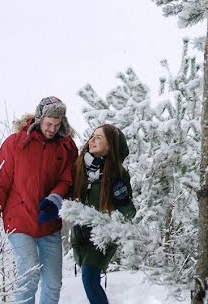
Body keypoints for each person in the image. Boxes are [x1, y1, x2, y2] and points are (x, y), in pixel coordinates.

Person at [0, 96, 78, 304]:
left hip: (48, 223)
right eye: (48, 124)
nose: (52, 129)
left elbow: (68, 180)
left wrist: (56, 198)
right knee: (29, 275)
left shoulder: (66, 147)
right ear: (38, 119)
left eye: (57, 124)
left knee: (53, 283)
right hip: (19, 220)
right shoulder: (16, 144)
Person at [71, 124, 136, 304]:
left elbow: (128, 211)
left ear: (110, 146)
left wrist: (122, 201)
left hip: (103, 236)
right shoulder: (78, 167)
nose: (92, 140)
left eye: (99, 137)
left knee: (89, 277)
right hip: (80, 235)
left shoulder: (118, 174)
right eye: (92, 136)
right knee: (89, 277)